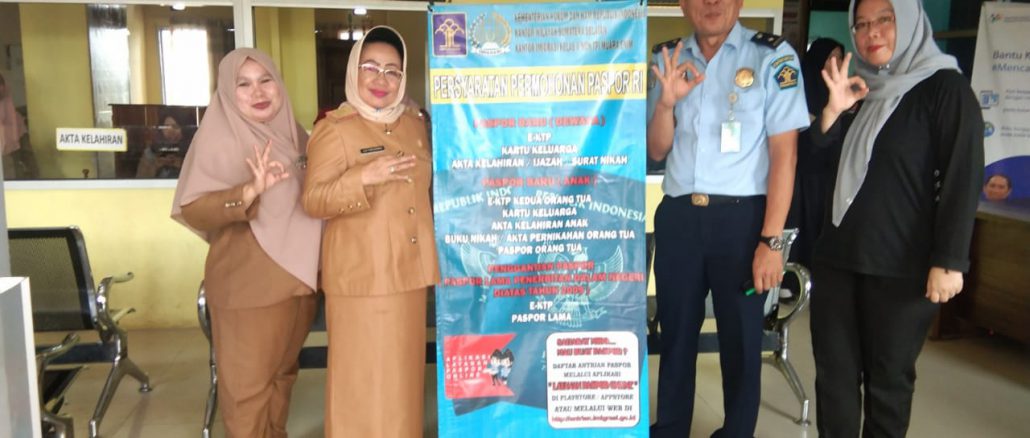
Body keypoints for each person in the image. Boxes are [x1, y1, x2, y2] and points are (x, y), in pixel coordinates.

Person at [809, 0, 984, 436]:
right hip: (837, 261)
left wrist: (950, 260)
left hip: (902, 270)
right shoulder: (857, 90)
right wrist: (832, 113)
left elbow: (963, 176)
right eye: (862, 23)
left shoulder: (945, 89)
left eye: (884, 20)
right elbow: (817, 169)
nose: (872, 32)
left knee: (887, 384)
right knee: (833, 381)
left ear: (908, 19)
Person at [646, 0, 809, 436]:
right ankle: (671, 427)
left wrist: (771, 241)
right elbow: (657, 149)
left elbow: (785, 156)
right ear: (684, 4)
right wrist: (665, 105)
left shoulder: (772, 56)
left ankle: (737, 431)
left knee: (741, 339)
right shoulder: (669, 58)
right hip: (680, 218)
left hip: (743, 223)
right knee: (676, 333)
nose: (712, 3)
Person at [171, 48, 322, 438]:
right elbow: (194, 209)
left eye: (265, 80)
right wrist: (247, 192)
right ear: (227, 91)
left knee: (282, 378)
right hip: (249, 288)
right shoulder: (219, 138)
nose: (258, 92)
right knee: (247, 393)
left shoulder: (293, 134)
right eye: (244, 84)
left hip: (298, 285)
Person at [302, 26, 439, 438]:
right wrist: (363, 178)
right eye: (371, 67)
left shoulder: (414, 124)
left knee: (402, 385)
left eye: (393, 71)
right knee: (361, 384)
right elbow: (313, 200)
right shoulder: (335, 129)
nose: (382, 79)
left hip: (409, 276)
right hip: (362, 279)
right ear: (354, 70)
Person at [785, 38, 847, 272]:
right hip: (801, 185)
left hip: (829, 185)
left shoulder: (847, 98)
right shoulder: (797, 97)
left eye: (840, 57)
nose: (837, 62)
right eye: (832, 57)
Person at [137, 112, 191, 178]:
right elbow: (141, 178)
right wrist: (157, 165)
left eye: (175, 126)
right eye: (166, 127)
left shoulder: (191, 150)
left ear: (183, 129)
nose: (170, 131)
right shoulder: (150, 152)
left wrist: (179, 164)